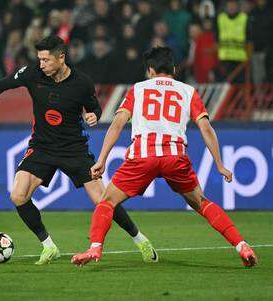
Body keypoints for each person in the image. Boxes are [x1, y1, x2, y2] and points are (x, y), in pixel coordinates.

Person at [0, 36, 157, 265]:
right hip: (42, 147)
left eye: (45, 59)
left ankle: (140, 239)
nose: (41, 64)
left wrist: (94, 115)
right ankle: (48, 245)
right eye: (39, 59)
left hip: (73, 149)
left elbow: (94, 107)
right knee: (18, 195)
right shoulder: (32, 73)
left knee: (103, 200)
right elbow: (2, 84)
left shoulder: (82, 82)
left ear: (61, 57)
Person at [71, 46, 258, 268]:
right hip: (175, 157)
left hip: (143, 156)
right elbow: (206, 128)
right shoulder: (188, 91)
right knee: (202, 203)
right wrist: (219, 164)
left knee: (107, 201)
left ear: (150, 70)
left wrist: (101, 159)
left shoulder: (138, 89)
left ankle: (95, 248)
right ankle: (242, 245)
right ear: (174, 69)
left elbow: (118, 124)